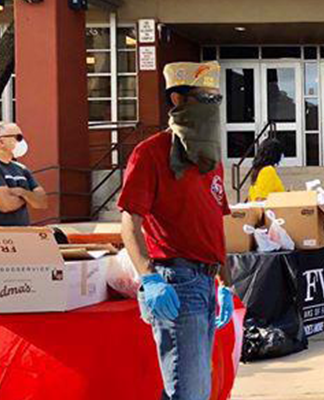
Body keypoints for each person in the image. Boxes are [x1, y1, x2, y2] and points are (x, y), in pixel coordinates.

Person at [118, 61, 235, 400]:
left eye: (217, 100)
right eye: (205, 99)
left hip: (205, 281)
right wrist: (149, 278)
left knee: (196, 386)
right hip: (176, 280)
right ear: (178, 100)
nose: (213, 108)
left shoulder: (209, 159)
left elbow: (215, 224)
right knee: (188, 390)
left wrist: (226, 282)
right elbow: (130, 221)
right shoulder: (151, 153)